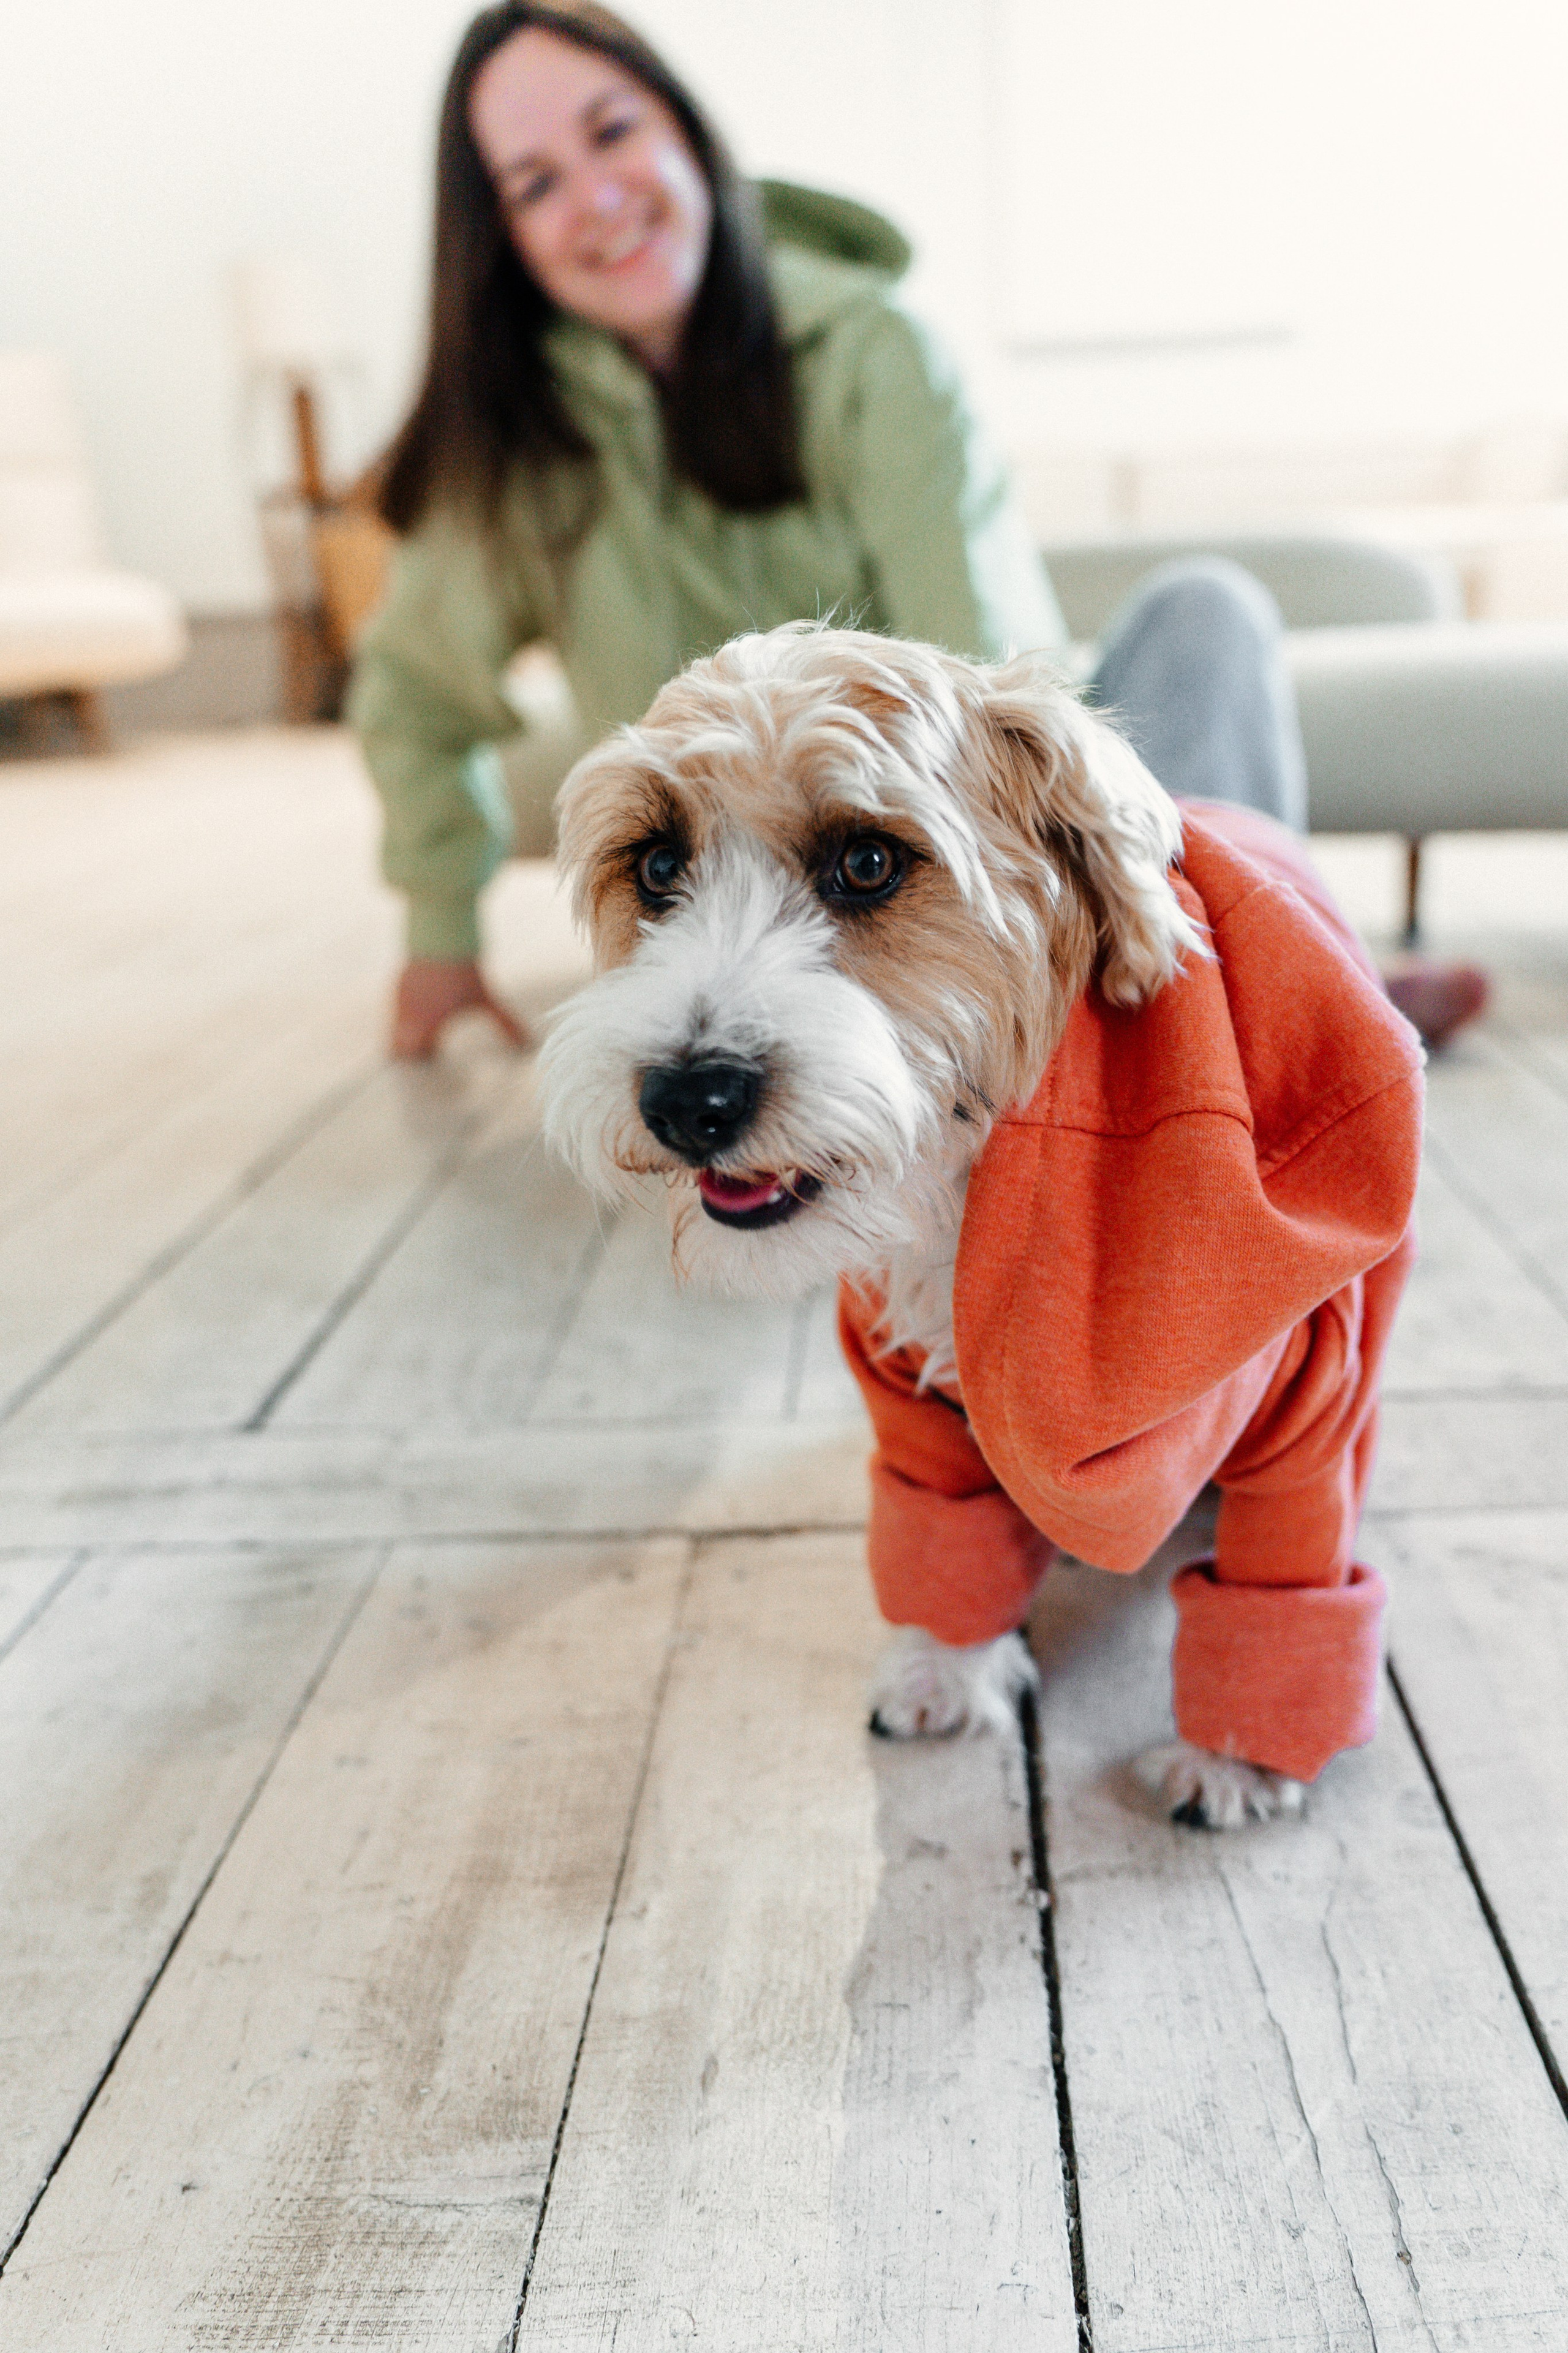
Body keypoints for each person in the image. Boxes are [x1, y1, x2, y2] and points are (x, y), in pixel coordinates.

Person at [350, 0, 1486, 1058]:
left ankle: (1294, 996)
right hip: (739, 899)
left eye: (612, 132)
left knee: (1210, 613)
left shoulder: (876, 353)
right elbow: (411, 694)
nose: (595, 197)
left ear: (689, 137)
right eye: (535, 182)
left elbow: (993, 668)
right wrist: (440, 933)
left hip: (934, 852)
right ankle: (1333, 994)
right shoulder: (511, 447)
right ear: (497, 237)